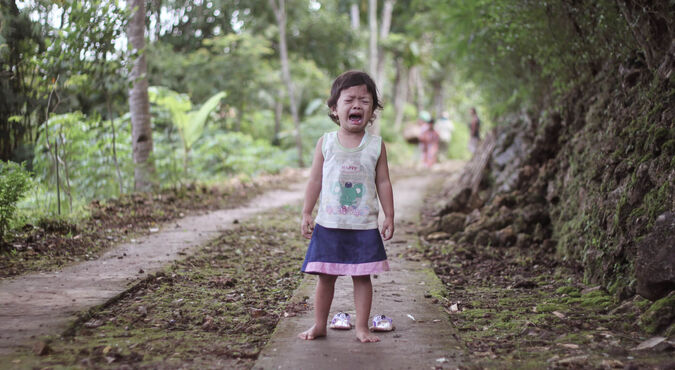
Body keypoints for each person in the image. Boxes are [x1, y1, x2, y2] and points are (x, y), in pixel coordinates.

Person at [298, 70, 394, 343]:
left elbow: (384, 182)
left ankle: (361, 327)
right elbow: (315, 179)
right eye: (349, 99)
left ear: (373, 110)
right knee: (325, 278)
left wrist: (389, 215)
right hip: (329, 224)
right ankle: (319, 325)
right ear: (334, 109)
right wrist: (306, 212)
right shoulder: (326, 143)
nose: (357, 105)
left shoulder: (376, 146)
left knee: (363, 278)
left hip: (363, 226)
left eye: (364, 101)